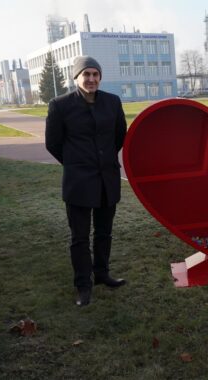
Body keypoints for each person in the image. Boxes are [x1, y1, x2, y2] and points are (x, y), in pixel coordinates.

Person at [45, 56, 127, 306]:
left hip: (107, 179)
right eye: (86, 74)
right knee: (79, 237)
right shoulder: (60, 105)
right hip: (78, 181)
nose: (91, 79)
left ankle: (101, 274)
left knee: (104, 232)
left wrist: (103, 162)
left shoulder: (112, 102)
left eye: (95, 74)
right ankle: (83, 285)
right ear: (76, 77)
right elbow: (53, 143)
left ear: (100, 77)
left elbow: (119, 136)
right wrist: (75, 163)